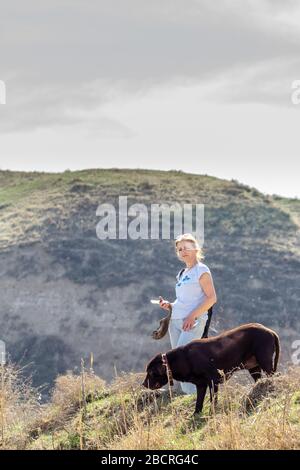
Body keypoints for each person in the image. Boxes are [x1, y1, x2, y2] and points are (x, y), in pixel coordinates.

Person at [159, 233, 217, 394]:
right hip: (175, 320)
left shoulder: (202, 270)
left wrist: (193, 316)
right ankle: (185, 396)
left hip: (192, 321)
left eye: (186, 248)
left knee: (184, 360)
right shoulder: (182, 273)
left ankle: (195, 397)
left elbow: (212, 298)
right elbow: (182, 300)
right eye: (179, 249)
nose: (183, 251)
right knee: (176, 362)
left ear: (195, 249)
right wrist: (170, 305)